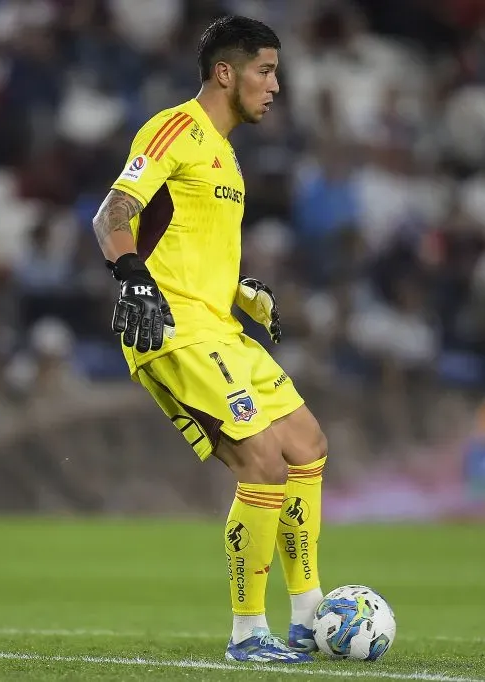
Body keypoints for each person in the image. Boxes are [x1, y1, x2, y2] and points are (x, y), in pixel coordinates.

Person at [90, 15, 328, 664]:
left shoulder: (226, 155)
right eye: (266, 70)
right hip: (173, 330)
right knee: (262, 462)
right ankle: (249, 631)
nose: (277, 86)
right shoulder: (176, 129)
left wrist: (243, 291)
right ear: (225, 72)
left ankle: (308, 613)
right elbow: (112, 213)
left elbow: (193, 249)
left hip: (219, 326)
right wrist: (132, 278)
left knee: (306, 445)